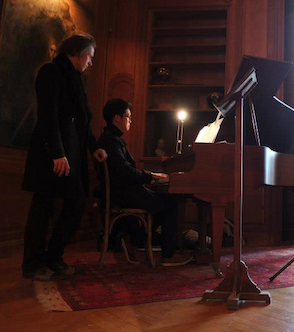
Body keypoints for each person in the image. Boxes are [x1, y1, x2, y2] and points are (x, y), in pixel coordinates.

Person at [22, 33, 108, 282]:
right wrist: (58, 153)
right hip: (53, 154)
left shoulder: (75, 79)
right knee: (42, 206)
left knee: (76, 203)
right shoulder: (51, 72)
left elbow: (82, 120)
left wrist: (93, 147)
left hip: (71, 154)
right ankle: (33, 265)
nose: (90, 63)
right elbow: (48, 115)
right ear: (77, 53)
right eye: (89, 57)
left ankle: (54, 258)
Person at [97, 98, 193, 266]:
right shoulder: (111, 140)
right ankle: (166, 255)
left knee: (163, 203)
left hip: (123, 191)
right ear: (117, 118)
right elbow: (124, 170)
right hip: (124, 194)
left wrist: (149, 177)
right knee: (170, 204)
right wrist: (151, 176)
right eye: (128, 116)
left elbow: (124, 169)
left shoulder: (111, 139)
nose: (130, 120)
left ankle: (134, 237)